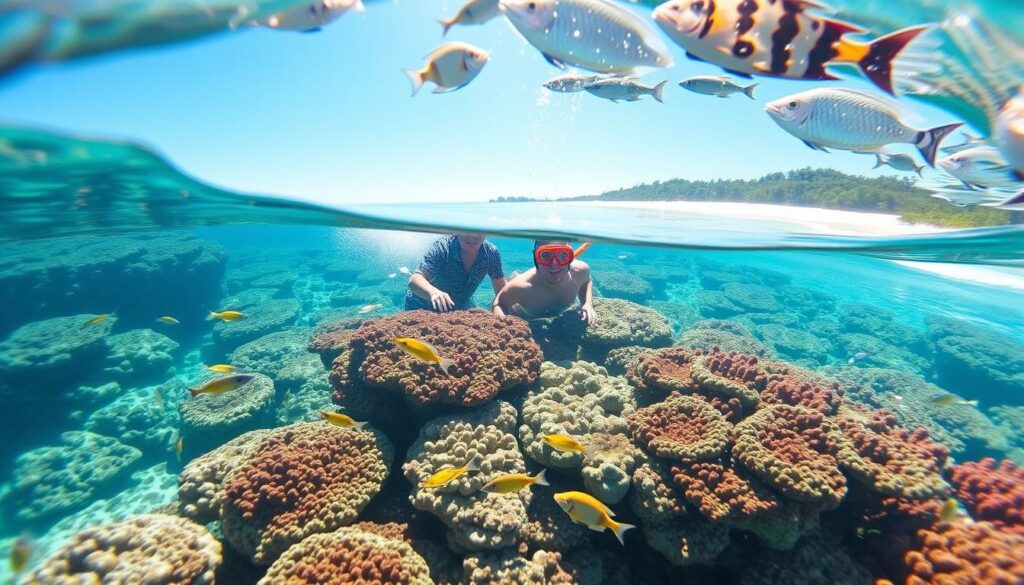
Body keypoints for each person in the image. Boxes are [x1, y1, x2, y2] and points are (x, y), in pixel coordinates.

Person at [492, 240, 595, 324]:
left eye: (563, 255)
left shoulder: (580, 271)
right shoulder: (521, 287)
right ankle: (514, 276)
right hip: (523, 318)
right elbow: (499, 303)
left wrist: (587, 303)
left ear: (570, 256)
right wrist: (504, 325)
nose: (554, 265)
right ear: (535, 257)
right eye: (546, 255)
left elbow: (587, 281)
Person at [406, 233, 507, 312]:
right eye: (466, 229)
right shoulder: (443, 247)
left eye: (478, 230)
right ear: (457, 230)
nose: (472, 235)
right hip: (422, 305)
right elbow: (414, 280)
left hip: (460, 304)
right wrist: (433, 293)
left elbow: (501, 292)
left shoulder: (491, 253)